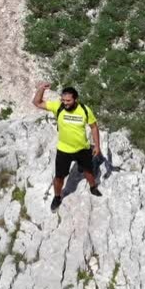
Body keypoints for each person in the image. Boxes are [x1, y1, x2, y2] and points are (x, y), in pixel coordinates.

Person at [32, 82, 102, 211]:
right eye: (63, 100)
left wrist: (97, 146)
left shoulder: (85, 110)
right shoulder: (58, 106)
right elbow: (37, 102)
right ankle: (57, 197)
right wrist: (41, 89)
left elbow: (93, 127)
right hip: (64, 150)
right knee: (59, 177)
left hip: (83, 149)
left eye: (68, 100)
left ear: (76, 99)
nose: (65, 103)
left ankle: (93, 187)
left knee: (88, 171)